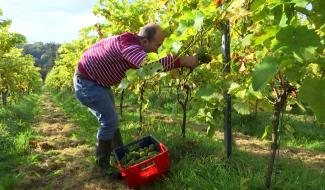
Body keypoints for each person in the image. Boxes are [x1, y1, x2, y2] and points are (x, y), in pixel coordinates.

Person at [73, 23, 199, 177]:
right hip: (87, 84)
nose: (158, 50)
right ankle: (102, 165)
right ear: (145, 41)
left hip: (97, 83)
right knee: (109, 121)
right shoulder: (129, 47)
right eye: (157, 45)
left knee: (110, 120)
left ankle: (119, 157)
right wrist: (182, 61)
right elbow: (149, 67)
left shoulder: (132, 41)